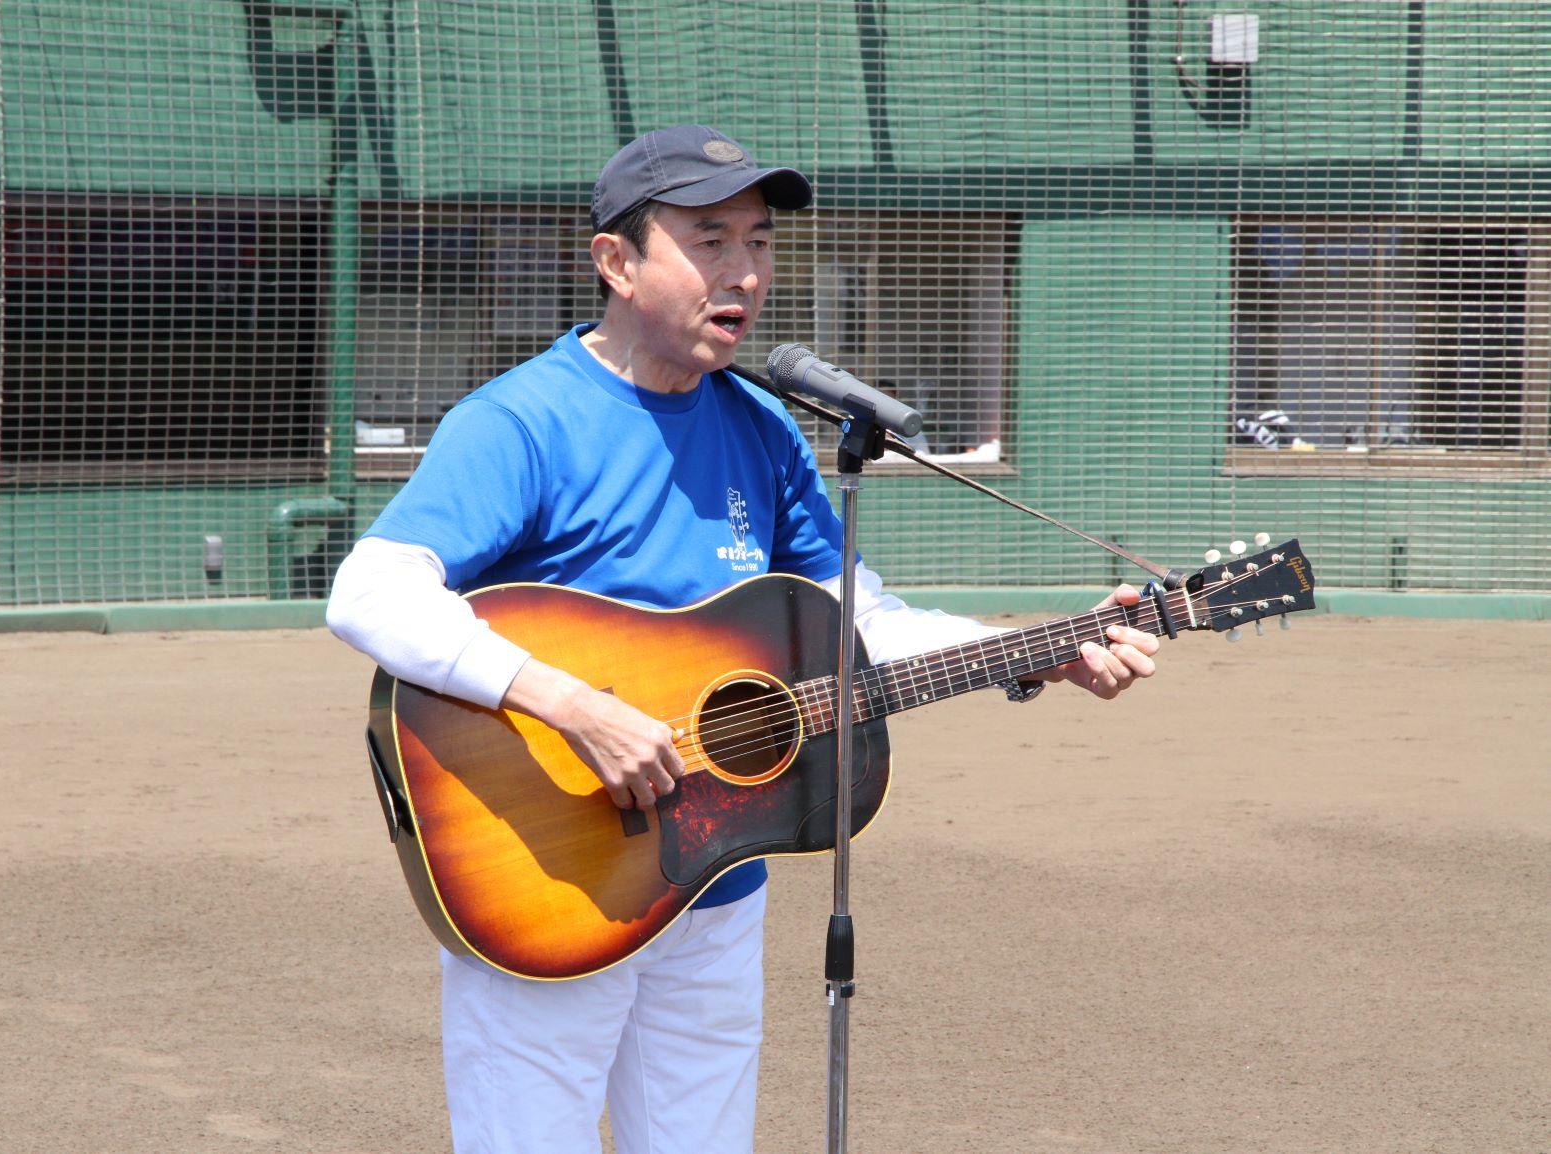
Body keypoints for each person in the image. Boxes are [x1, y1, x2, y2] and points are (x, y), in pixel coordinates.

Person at [326, 124, 1161, 1154]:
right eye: (710, 241)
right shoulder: (522, 422)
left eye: (760, 242)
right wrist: (572, 705)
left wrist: (1033, 650)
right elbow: (368, 590)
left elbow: (857, 626)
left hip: (718, 884)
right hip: (544, 881)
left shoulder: (765, 428)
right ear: (616, 261)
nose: (746, 273)